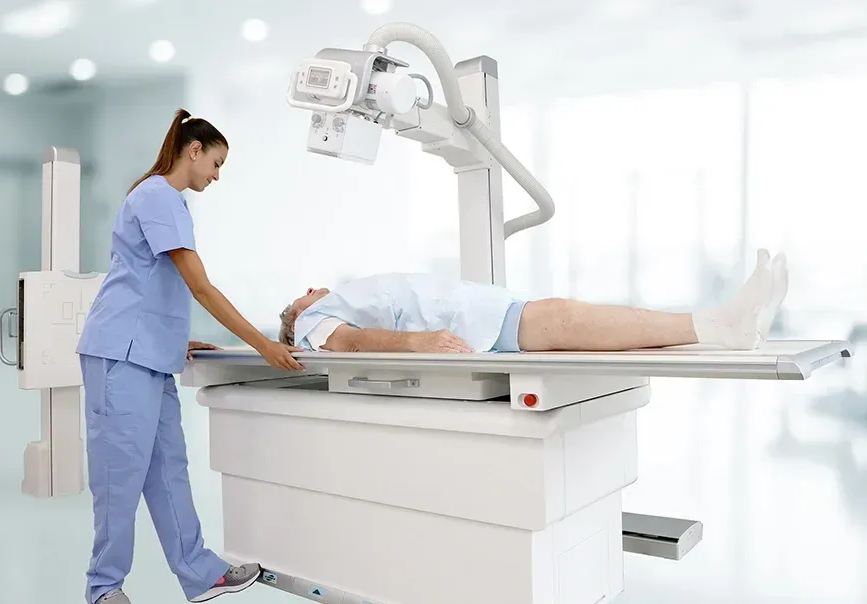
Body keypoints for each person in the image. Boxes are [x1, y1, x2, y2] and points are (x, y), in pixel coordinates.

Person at [76, 109, 303, 604]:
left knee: (168, 468)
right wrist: (264, 343)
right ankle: (103, 588)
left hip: (151, 355)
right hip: (120, 355)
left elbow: (149, 283)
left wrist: (171, 341)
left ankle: (199, 574)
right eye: (216, 163)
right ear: (193, 150)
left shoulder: (168, 200)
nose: (216, 176)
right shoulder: (158, 194)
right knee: (120, 475)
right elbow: (198, 285)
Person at [277, 249, 788, 354]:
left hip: (487, 312)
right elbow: (350, 345)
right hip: (479, 326)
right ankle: (723, 324)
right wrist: (420, 343)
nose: (307, 293)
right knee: (571, 317)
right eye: (297, 302)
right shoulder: (315, 320)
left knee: (573, 313)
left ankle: (724, 321)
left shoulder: (339, 298)